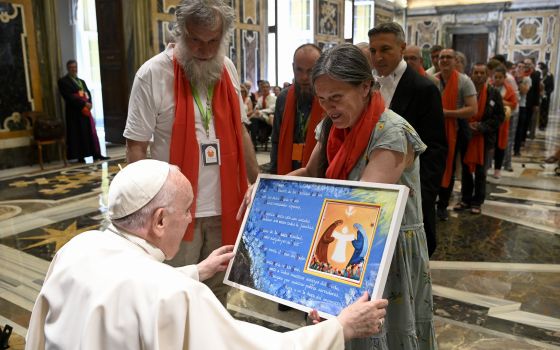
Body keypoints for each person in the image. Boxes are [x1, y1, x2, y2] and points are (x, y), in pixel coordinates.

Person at [26, 159, 389, 349]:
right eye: (187, 210)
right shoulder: (173, 295)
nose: (190, 219)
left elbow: (126, 293)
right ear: (160, 220)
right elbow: (251, 348)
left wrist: (196, 270)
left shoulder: (79, 248)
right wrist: (340, 328)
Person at [249, 43, 436, 350]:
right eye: (322, 100)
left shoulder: (391, 132)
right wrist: (265, 191)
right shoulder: (331, 127)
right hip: (344, 238)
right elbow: (311, 173)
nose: (328, 108)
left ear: (365, 86)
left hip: (380, 248)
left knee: (380, 333)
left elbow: (362, 206)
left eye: (336, 98)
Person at [124, 0, 258, 305]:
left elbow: (241, 130)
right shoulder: (153, 74)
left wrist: (258, 182)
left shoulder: (227, 68)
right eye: (195, 40)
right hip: (175, 211)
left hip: (226, 206)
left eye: (213, 41)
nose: (205, 50)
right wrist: (145, 208)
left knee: (220, 290)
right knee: (174, 289)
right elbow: (136, 146)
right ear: (180, 33)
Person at [369, 22, 446, 257]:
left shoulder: (424, 88)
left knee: (411, 252)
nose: (378, 57)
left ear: (401, 48)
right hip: (377, 182)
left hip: (411, 187)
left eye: (385, 49)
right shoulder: (368, 84)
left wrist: (425, 193)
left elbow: (435, 147)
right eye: (373, 51)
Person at [454, 63, 503, 215]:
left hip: (484, 139)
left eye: (482, 73)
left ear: (487, 74)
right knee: (466, 171)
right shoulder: (465, 90)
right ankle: (465, 199)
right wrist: (467, 125)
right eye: (476, 72)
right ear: (471, 74)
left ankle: (477, 201)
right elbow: (459, 110)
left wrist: (481, 126)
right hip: (466, 136)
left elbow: (499, 117)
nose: (479, 75)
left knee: (481, 172)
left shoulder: (493, 93)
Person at [434, 48, 477, 221]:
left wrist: (447, 113)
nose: (444, 60)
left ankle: (443, 205)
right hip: (434, 130)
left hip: (456, 131)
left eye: (448, 57)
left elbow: (473, 109)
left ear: (455, 60)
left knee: (449, 168)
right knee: (433, 167)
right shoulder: (432, 79)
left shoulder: (464, 81)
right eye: (441, 57)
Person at [270, 44, 323, 175]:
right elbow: (276, 140)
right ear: (293, 67)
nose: (304, 77)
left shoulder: (328, 98)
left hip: (318, 170)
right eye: (299, 70)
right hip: (288, 165)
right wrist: (274, 175)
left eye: (310, 71)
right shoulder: (283, 97)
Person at [58, 59, 109, 163]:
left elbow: (87, 93)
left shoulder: (81, 81)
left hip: (85, 112)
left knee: (90, 133)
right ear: (68, 69)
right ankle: (81, 156)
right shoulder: (63, 81)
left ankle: (96, 154)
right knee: (78, 135)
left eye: (75, 67)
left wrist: (89, 103)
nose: (74, 69)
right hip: (75, 113)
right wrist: (83, 104)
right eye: (71, 67)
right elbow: (69, 96)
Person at [491, 64, 518, 178]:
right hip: (490, 121)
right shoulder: (489, 87)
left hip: (502, 122)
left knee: (500, 145)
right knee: (488, 144)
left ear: (504, 78)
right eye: (495, 77)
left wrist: (500, 101)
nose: (497, 79)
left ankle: (498, 169)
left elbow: (513, 104)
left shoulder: (509, 89)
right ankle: (486, 166)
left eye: (500, 77)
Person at [249, 80, 276, 150]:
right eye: (263, 87)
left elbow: (271, 110)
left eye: (267, 87)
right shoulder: (260, 99)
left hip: (269, 118)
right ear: (261, 88)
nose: (265, 89)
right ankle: (253, 142)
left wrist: (260, 111)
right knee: (253, 119)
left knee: (255, 117)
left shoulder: (274, 98)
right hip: (260, 119)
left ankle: (262, 139)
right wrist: (257, 109)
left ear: (269, 88)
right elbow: (256, 107)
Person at [513, 61, 532, 156]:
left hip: (521, 106)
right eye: (518, 66)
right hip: (511, 105)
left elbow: (524, 91)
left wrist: (519, 81)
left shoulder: (527, 79)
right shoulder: (511, 77)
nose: (520, 69)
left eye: (522, 67)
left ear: (525, 69)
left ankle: (517, 150)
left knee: (519, 129)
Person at [538, 62, 554, 131]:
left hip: (545, 96)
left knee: (544, 111)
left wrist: (545, 93)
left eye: (542, 67)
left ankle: (542, 125)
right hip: (537, 96)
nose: (542, 70)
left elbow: (551, 87)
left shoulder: (550, 75)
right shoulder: (538, 74)